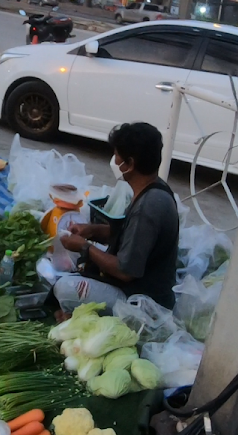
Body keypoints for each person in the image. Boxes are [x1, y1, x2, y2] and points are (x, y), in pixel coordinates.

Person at [55, 122, 180, 311]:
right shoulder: (155, 188)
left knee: (64, 288)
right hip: (139, 284)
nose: (114, 161)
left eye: (116, 156)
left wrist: (84, 246)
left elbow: (124, 271)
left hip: (142, 301)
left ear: (130, 164)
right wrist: (91, 231)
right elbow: (131, 235)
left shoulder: (148, 207)